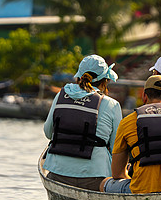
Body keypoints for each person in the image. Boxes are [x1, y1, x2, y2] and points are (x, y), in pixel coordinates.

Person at [103, 75, 161, 194]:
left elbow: (117, 173)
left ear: (144, 96)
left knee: (104, 183)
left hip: (142, 190)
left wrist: (135, 179)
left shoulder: (127, 122)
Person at [43, 54, 123, 191]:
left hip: (57, 172)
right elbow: (117, 146)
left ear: (79, 76)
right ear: (105, 80)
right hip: (96, 176)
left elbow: (48, 132)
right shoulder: (112, 104)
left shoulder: (61, 95)